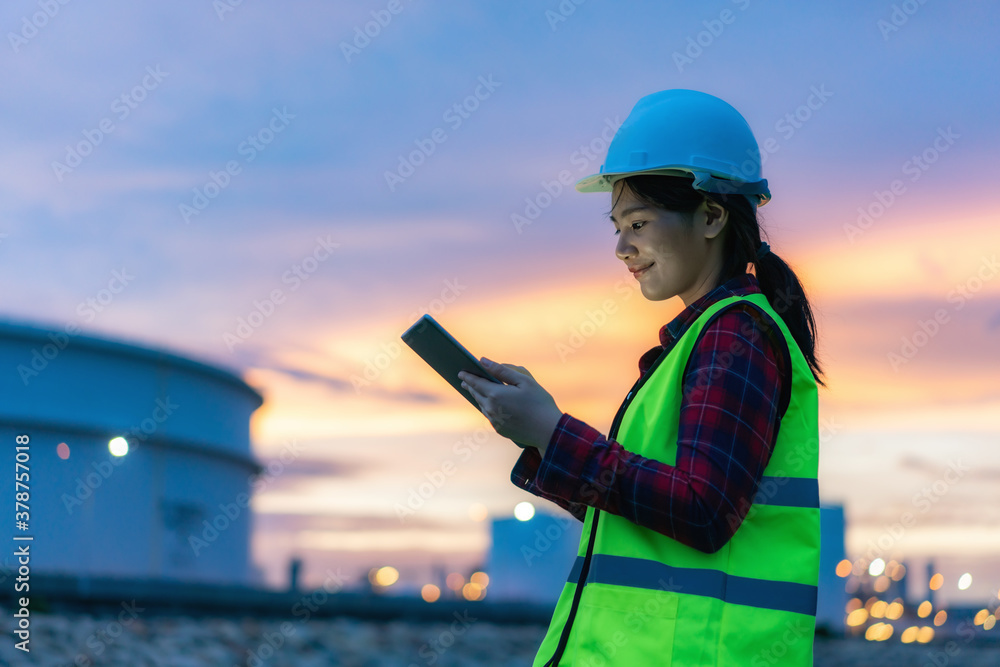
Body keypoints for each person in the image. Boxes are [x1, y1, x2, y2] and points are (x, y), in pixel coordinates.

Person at [458, 89, 825, 666]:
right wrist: (539, 438)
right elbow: (654, 515)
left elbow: (703, 510)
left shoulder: (736, 337)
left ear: (711, 215)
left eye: (638, 222)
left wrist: (556, 435)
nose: (622, 247)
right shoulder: (711, 337)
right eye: (616, 226)